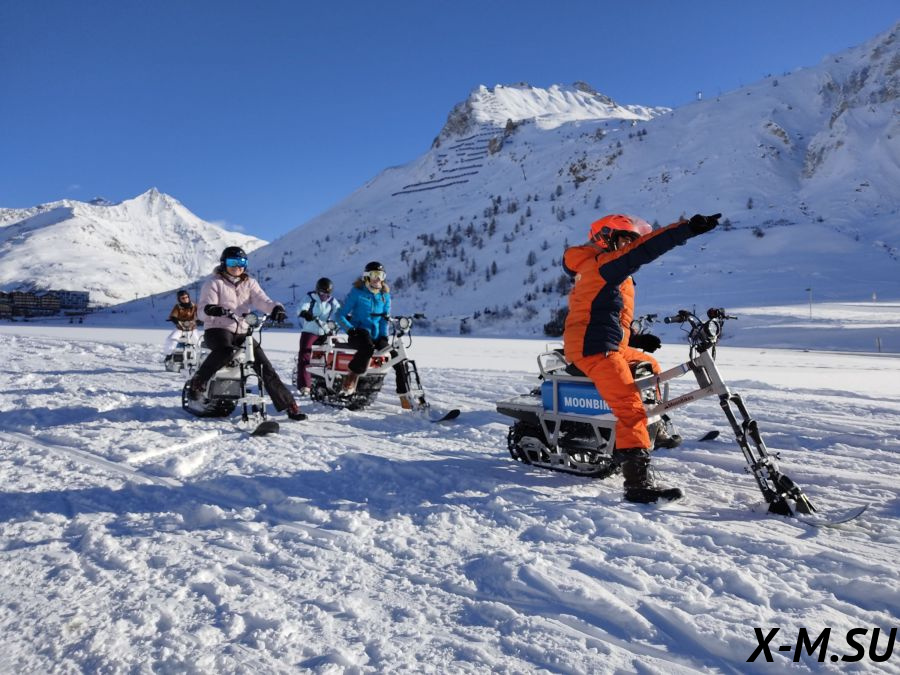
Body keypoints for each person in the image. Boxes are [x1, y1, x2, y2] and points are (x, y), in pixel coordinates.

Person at [563, 212, 720, 503]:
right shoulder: (601, 265)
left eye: (630, 241)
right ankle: (637, 484)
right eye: (624, 240)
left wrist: (634, 339)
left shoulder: (601, 268)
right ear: (606, 238)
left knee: (651, 366)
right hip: (593, 348)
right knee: (630, 408)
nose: (628, 246)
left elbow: (600, 313)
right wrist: (687, 229)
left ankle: (654, 428)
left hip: (607, 342)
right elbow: (645, 249)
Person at [188, 246, 306, 421]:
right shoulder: (213, 283)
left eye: (241, 262)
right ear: (224, 263)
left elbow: (262, 300)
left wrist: (275, 308)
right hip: (217, 328)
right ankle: (198, 382)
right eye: (232, 262)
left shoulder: (249, 282)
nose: (237, 266)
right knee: (226, 351)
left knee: (264, 366)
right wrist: (211, 309)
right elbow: (202, 309)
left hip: (243, 331)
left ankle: (289, 405)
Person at [335, 261, 423, 408]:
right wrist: (350, 329)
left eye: (381, 275)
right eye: (374, 274)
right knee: (367, 347)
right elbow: (339, 315)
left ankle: (405, 396)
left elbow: (384, 320)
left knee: (397, 358)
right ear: (367, 276)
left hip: (376, 336)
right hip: (358, 333)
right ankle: (350, 380)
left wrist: (383, 337)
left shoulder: (384, 295)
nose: (378, 278)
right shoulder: (357, 292)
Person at [295, 277, 341, 396]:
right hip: (310, 331)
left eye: (327, 293)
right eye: (321, 292)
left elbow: (339, 313)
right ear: (317, 290)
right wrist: (305, 313)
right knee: (305, 353)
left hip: (326, 331)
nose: (324, 295)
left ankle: (336, 379)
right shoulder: (310, 298)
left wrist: (341, 320)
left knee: (335, 352)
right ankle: (304, 385)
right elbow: (301, 307)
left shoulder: (332, 301)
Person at [163, 289, 200, 358]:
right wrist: (174, 319)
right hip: (180, 328)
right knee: (171, 339)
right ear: (179, 299)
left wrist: (200, 320)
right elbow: (173, 314)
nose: (185, 299)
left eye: (186, 297)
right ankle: (169, 355)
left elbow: (199, 313)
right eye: (183, 298)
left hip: (192, 328)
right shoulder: (178, 306)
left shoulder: (194, 305)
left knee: (198, 342)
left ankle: (198, 357)